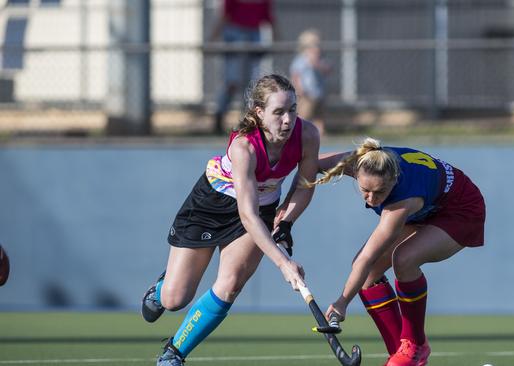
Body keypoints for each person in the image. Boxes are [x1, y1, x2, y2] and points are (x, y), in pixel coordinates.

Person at [141, 74, 321, 366]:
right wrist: (283, 263)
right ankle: (162, 288)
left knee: (231, 283)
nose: (287, 120)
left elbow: (303, 185)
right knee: (175, 299)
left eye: (292, 109)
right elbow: (246, 215)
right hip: (212, 205)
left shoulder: (308, 135)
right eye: (278, 112)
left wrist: (286, 222)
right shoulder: (244, 147)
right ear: (258, 113)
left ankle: (174, 354)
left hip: (261, 207)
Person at [309, 138, 485, 366]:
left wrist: (342, 302)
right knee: (370, 274)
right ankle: (401, 355)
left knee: (404, 259)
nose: (371, 199)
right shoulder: (363, 161)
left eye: (380, 192)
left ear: (393, 180)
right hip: (429, 206)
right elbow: (310, 163)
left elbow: (366, 257)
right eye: (365, 190)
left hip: (460, 211)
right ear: (356, 172)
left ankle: (415, 346)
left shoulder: (402, 200)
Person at [210, 0, 276, 135]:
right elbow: (226, 15)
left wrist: (277, 38)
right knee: (232, 81)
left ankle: (251, 121)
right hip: (235, 34)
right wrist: (213, 36)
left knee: (254, 82)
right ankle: (219, 116)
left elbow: (268, 17)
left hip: (254, 35)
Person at [290, 29, 330, 136]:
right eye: (312, 46)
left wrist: (317, 64)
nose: (316, 49)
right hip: (307, 94)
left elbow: (328, 70)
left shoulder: (320, 60)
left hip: (319, 93)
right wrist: (299, 89)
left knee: (319, 117)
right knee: (304, 115)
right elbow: (296, 75)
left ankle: (320, 133)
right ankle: (297, 133)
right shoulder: (301, 60)